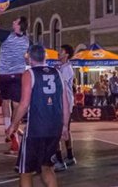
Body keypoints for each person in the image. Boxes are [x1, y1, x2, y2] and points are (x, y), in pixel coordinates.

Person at [6, 44, 70, 187]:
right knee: (47, 167)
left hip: (36, 129)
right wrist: (65, 126)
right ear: (45, 56)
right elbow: (65, 102)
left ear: (29, 57)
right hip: (54, 128)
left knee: (25, 171)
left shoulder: (29, 74)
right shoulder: (58, 73)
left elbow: (24, 104)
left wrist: (13, 125)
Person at [0, 7, 29, 153]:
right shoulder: (28, 40)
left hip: (5, 74)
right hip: (18, 75)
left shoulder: (7, 36)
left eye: (15, 21)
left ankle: (11, 132)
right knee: (16, 106)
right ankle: (13, 131)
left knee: (6, 103)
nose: (13, 21)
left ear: (19, 25)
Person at [52, 44, 77, 172]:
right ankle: (70, 156)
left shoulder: (67, 68)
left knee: (58, 130)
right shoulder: (62, 67)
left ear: (66, 54)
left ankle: (60, 160)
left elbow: (60, 85)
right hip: (64, 102)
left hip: (65, 103)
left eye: (61, 51)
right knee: (65, 129)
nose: (58, 53)